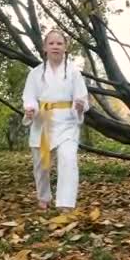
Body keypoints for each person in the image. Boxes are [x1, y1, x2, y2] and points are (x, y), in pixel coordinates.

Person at [22, 29, 89, 212]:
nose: (55, 47)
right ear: (45, 48)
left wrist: (80, 106)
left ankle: (65, 203)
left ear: (65, 48)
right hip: (43, 122)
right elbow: (29, 97)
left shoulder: (74, 72)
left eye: (59, 43)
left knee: (68, 158)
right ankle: (44, 196)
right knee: (42, 165)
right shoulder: (35, 74)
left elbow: (81, 96)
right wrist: (30, 110)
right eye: (51, 43)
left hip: (67, 122)